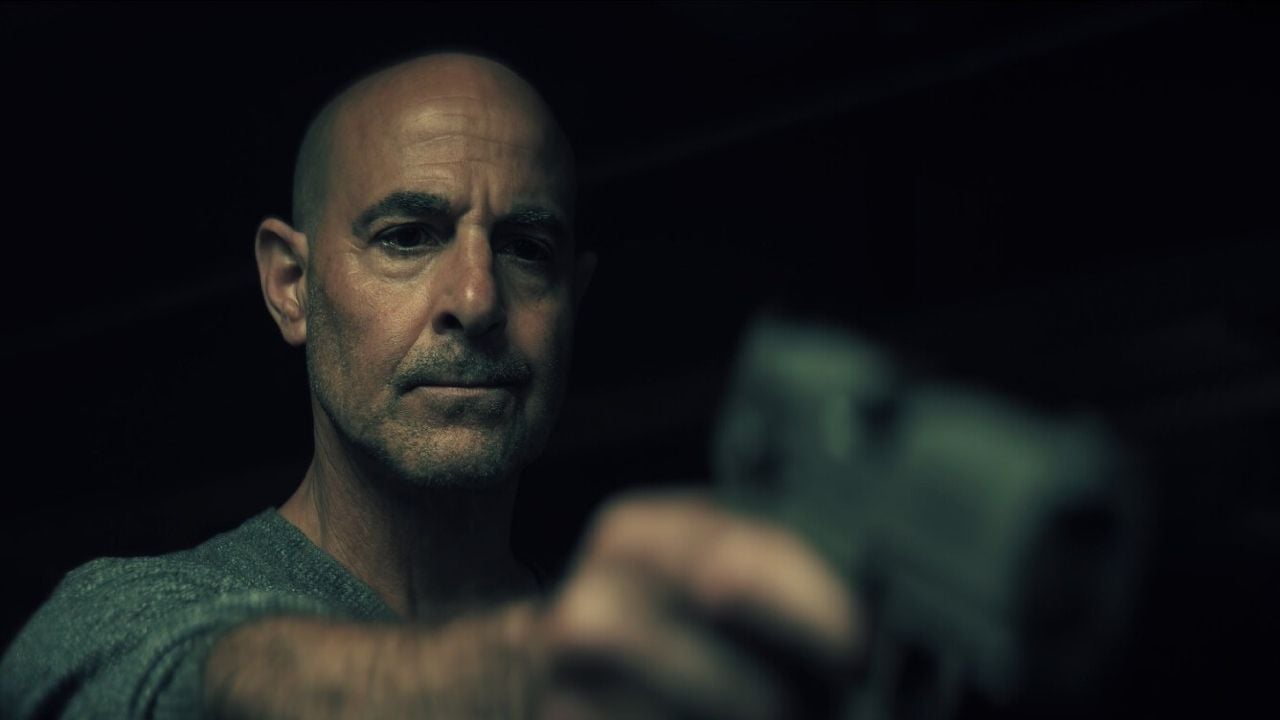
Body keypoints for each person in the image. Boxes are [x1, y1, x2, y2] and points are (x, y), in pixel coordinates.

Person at [0, 52, 859, 719]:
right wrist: (513, 678)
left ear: (574, 301)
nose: (477, 301)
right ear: (291, 286)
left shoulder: (651, 672)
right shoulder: (131, 615)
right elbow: (91, 675)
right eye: (408, 237)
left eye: (526, 249)